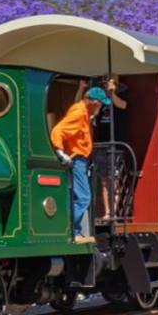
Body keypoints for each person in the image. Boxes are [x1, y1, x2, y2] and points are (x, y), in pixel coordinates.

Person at [51, 86, 111, 242]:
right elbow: (58, 131)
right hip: (77, 160)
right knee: (84, 197)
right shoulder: (78, 113)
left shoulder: (84, 113)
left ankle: (75, 231)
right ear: (94, 102)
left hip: (80, 161)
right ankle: (70, 231)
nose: (101, 107)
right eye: (100, 104)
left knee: (79, 197)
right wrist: (60, 151)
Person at [93, 78, 128, 220]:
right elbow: (93, 114)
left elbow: (122, 105)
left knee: (114, 179)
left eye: (110, 83)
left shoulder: (121, 98)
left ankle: (114, 211)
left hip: (116, 146)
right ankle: (107, 212)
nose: (107, 86)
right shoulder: (101, 101)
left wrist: (111, 93)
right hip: (102, 144)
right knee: (104, 181)